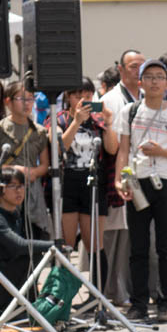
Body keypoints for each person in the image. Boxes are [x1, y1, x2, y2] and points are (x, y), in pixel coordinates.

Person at [114, 57, 167, 322]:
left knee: (165, 246)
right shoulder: (130, 111)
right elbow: (123, 149)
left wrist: (160, 152)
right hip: (137, 182)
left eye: (159, 77)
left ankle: (164, 301)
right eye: (149, 77)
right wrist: (119, 180)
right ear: (141, 81)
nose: (154, 82)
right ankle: (138, 303)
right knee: (137, 246)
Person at [99, 50, 145, 307]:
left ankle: (134, 289)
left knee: (137, 237)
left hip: (145, 171)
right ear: (120, 68)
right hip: (118, 170)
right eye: (133, 65)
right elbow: (112, 146)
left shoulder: (147, 97)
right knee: (116, 237)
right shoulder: (110, 99)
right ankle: (114, 290)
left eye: (141, 65)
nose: (137, 70)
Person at [54, 79, 117, 269]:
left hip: (94, 185)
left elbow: (112, 149)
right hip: (67, 186)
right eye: (77, 96)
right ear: (68, 97)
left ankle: (97, 295)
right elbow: (58, 148)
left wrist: (109, 123)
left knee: (95, 245)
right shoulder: (59, 119)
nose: (83, 101)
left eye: (88, 97)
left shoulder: (98, 122)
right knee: (66, 245)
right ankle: (64, 294)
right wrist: (76, 122)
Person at [0, 81, 51, 239]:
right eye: (21, 99)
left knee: (34, 233)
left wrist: (33, 172)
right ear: (8, 101)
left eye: (30, 99)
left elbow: (45, 165)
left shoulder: (39, 132)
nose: (27, 104)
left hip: (31, 189)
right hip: (6, 189)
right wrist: (16, 171)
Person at [0, 168, 54, 315]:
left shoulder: (15, 212)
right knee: (33, 255)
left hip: (5, 271)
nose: (19, 191)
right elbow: (19, 245)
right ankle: (21, 306)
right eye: (14, 186)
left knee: (35, 254)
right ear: (1, 189)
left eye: (22, 186)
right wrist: (55, 245)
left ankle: (28, 303)